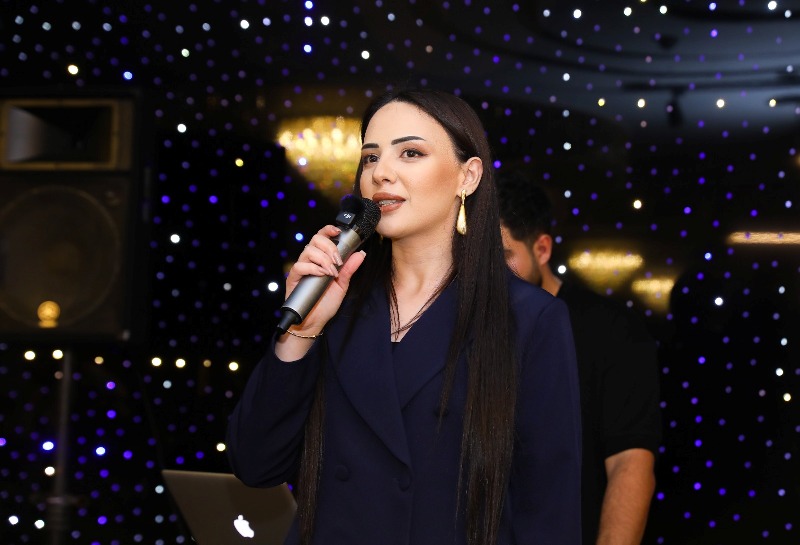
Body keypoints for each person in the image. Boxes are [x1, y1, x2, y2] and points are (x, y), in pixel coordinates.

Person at [226, 89, 582, 545]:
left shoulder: (528, 318)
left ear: (468, 176)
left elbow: (549, 510)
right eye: (370, 157)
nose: (381, 173)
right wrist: (301, 332)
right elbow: (255, 464)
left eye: (410, 153)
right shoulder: (335, 303)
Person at [496, 171, 663, 545]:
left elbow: (630, 462)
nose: (489, 273)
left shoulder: (610, 330)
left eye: (503, 256)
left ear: (542, 249)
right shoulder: (463, 327)